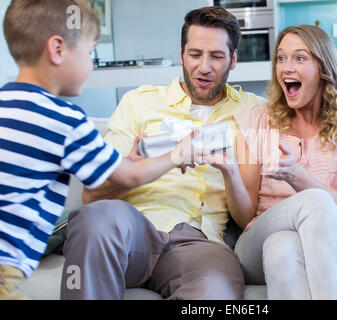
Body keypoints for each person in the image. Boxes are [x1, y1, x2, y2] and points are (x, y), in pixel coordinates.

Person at [61, 7, 337, 300]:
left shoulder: (253, 111)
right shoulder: (138, 103)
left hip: (203, 243)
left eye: (216, 56)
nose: (204, 67)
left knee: (235, 282)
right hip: (135, 228)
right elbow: (93, 196)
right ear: (181, 55)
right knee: (97, 220)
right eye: (195, 54)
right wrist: (146, 166)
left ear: (233, 60)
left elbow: (325, 116)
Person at [0, 0, 198, 300]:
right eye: (91, 52)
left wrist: (122, 162)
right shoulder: (63, 120)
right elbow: (129, 177)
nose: (92, 64)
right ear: (57, 50)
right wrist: (177, 154)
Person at [203, 24, 337, 300]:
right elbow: (245, 218)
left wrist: (296, 176)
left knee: (284, 247)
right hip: (259, 240)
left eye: (300, 58)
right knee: (305, 211)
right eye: (281, 58)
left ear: (323, 69)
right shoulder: (258, 120)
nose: (286, 67)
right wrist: (231, 172)